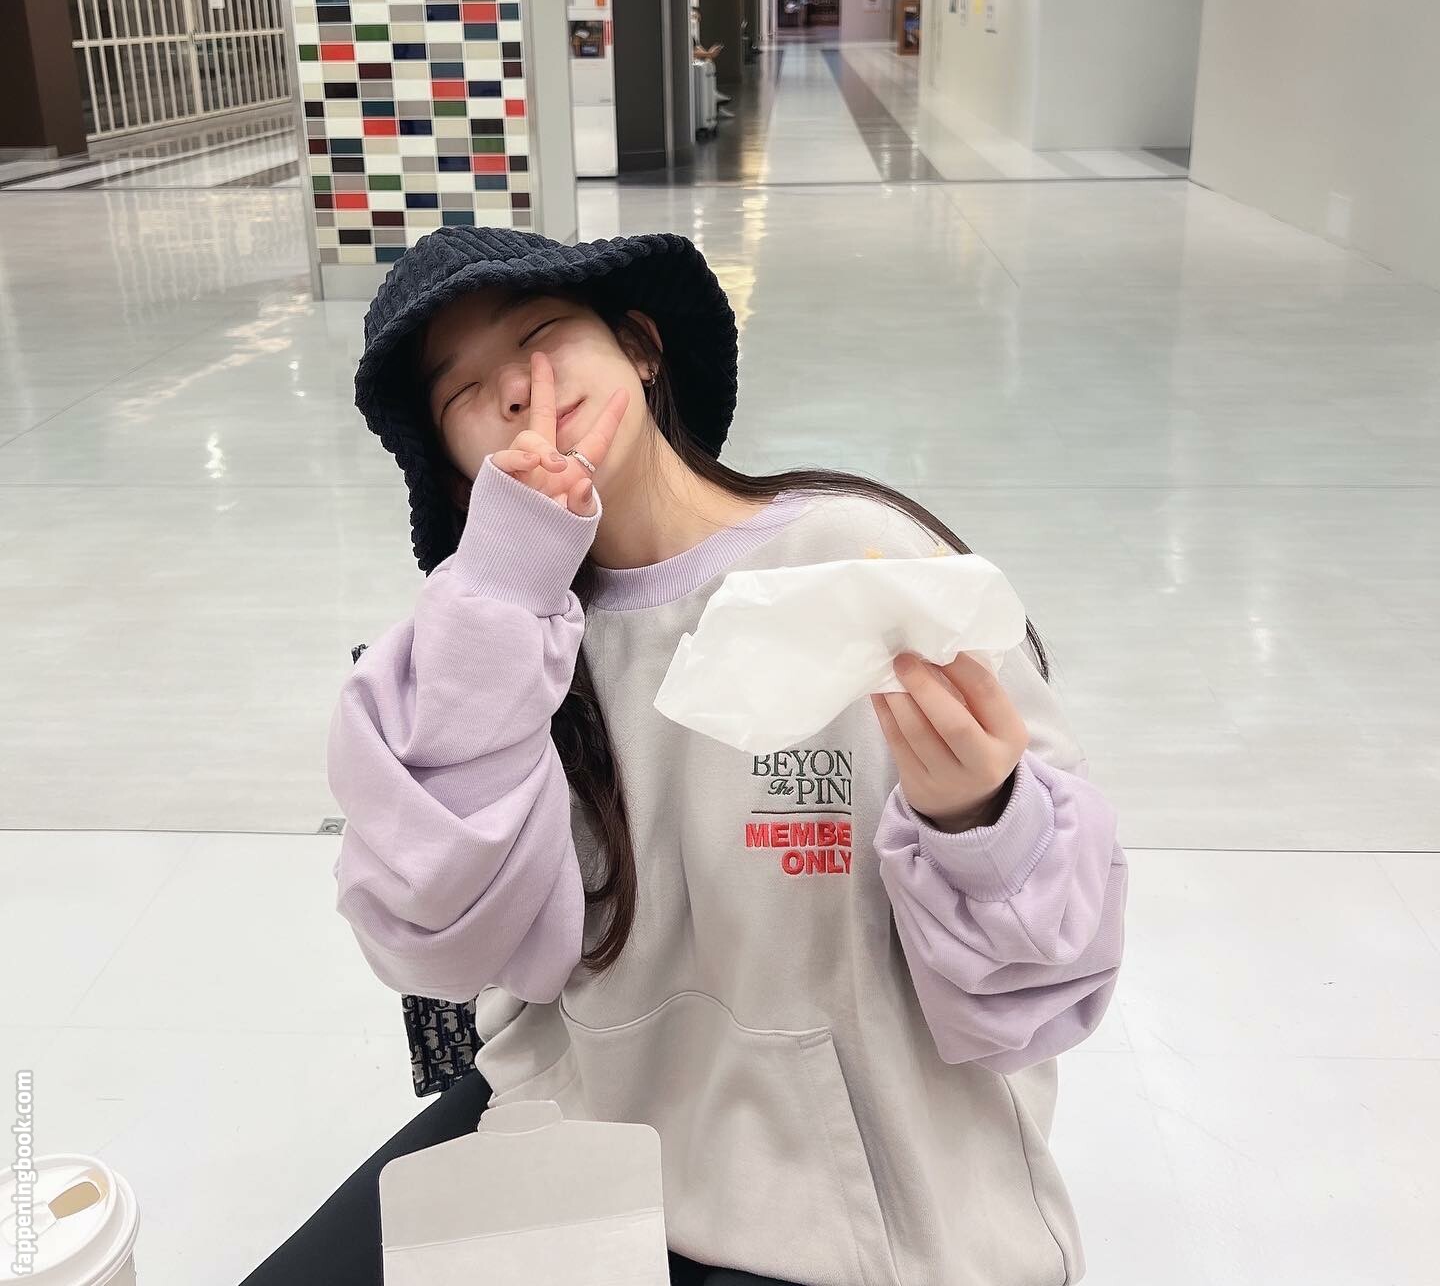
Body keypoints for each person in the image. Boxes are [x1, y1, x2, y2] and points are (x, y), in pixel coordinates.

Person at [277, 228, 1127, 1286]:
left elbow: (1047, 981)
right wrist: (502, 591)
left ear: (640, 347)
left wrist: (978, 817)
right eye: (464, 390)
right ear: (456, 480)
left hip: (864, 1203)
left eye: (542, 335)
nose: (518, 388)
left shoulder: (853, 558)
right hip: (590, 1138)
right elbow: (439, 942)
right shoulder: (481, 644)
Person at [691, 4, 735, 116]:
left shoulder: (692, 37)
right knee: (706, 67)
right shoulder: (683, 34)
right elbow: (689, 52)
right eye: (694, 18)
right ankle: (714, 100)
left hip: (696, 65)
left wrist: (709, 55)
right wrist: (708, 54)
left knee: (709, 65)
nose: (695, 22)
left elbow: (698, 50)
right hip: (690, 68)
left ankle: (714, 103)